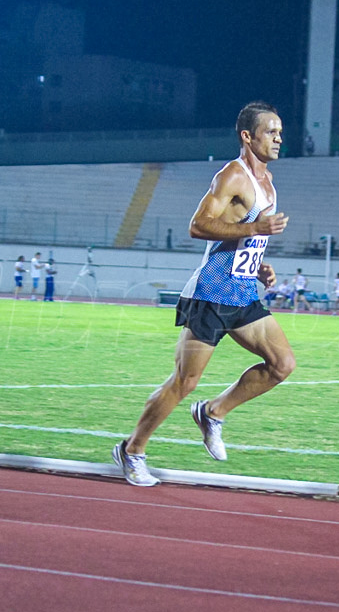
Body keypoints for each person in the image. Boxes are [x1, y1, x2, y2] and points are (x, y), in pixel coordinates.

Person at [113, 101, 294, 487]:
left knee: (282, 365)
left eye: (280, 131)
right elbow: (199, 226)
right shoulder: (233, 175)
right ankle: (132, 451)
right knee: (184, 382)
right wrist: (255, 229)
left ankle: (213, 413)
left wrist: (258, 262)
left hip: (242, 291)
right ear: (248, 136)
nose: (279, 138)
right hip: (211, 293)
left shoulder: (268, 183)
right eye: (271, 132)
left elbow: (245, 233)